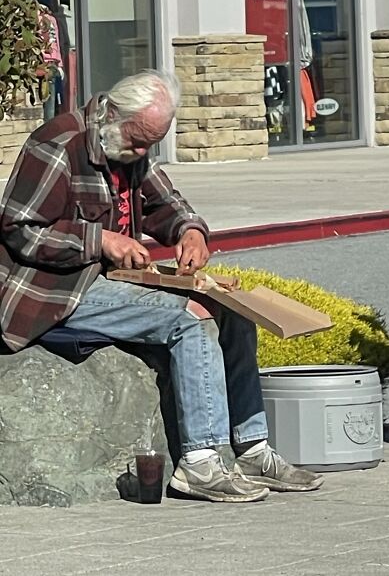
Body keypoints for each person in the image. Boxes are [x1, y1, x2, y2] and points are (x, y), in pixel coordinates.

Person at [0, 69, 322, 503]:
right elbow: (19, 228)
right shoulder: (57, 145)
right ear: (112, 114)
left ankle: (252, 448)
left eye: (151, 143)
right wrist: (102, 239)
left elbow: (166, 202)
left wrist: (191, 231)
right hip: (56, 289)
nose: (141, 151)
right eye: (137, 140)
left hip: (108, 280)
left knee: (234, 314)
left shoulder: (129, 141)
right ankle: (200, 464)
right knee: (190, 318)